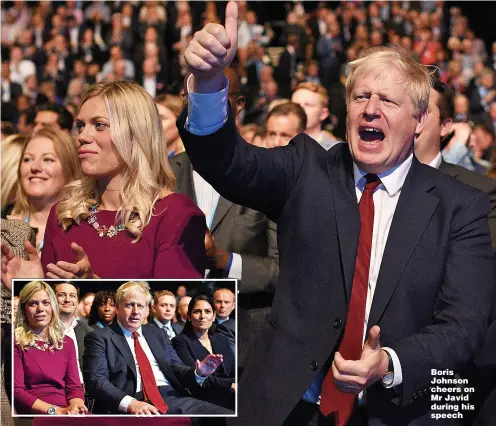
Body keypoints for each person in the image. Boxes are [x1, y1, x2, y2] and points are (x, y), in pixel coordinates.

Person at [180, 3, 494, 425]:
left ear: (420, 120)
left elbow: (464, 325)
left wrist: (390, 363)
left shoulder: (460, 206)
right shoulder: (304, 169)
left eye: (387, 100)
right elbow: (227, 162)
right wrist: (208, 81)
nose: (370, 109)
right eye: (361, 96)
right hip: (286, 408)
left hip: (392, 412)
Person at [1, 81, 207, 285]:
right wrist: (33, 286)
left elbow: (176, 311)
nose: (83, 136)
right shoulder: (64, 215)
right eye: (80, 126)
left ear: (135, 133)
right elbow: (51, 314)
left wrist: (94, 288)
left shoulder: (175, 215)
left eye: (99, 125)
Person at [83, 281, 233, 415]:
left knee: (224, 416)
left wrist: (198, 373)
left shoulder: (157, 333)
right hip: (132, 399)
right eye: (130, 305)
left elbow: (176, 367)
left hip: (171, 396)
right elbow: (96, 380)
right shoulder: (100, 337)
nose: (136, 311)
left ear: (147, 310)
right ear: (117, 308)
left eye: (140, 306)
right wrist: (130, 404)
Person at [414, 79, 496, 247]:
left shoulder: (480, 192)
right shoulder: (368, 183)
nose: (412, 118)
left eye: (423, 110)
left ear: (444, 126)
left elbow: (479, 267)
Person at [13, 280, 88, 415]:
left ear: (53, 307)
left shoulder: (67, 342)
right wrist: (55, 411)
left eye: (45, 303)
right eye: (33, 303)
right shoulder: (16, 342)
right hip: (37, 413)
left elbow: (74, 387)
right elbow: (17, 392)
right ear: (24, 310)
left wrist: (77, 406)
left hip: (66, 410)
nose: (40, 308)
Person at [7, 127, 81, 253]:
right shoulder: (5, 232)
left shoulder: (83, 230)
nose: (35, 167)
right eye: (27, 159)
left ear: (70, 169)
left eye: (48, 159)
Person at [172, 295, 235, 409]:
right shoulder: (180, 341)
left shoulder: (220, 338)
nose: (203, 316)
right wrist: (230, 385)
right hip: (206, 396)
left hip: (232, 392)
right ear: (189, 316)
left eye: (207, 311)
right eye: (197, 312)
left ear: (214, 316)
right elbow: (197, 376)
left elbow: (233, 369)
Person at [53, 281, 93, 382]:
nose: (67, 300)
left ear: (77, 301)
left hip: (84, 391)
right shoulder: (42, 330)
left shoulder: (89, 331)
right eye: (62, 295)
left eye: (72, 296)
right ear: (52, 299)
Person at [291, 82, 340, 150]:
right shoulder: (278, 143)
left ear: (323, 114)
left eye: (307, 105)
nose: (300, 109)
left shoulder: (335, 151)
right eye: (296, 105)